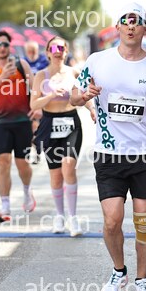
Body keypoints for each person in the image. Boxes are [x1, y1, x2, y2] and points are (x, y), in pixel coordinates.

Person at [70, 2, 146, 291]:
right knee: (112, 220)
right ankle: (119, 270)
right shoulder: (97, 61)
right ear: (117, 27)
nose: (131, 26)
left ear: (145, 29)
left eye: (137, 21)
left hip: (145, 155)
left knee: (144, 223)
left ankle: (142, 280)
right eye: (126, 21)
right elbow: (74, 96)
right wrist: (84, 95)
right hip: (109, 153)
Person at [31, 37, 95, 236]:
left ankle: (73, 218)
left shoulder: (74, 73)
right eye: (53, 48)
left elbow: (83, 95)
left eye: (61, 48)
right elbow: (33, 104)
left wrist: (92, 109)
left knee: (69, 166)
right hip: (49, 124)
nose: (58, 51)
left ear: (66, 52)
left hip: (71, 123)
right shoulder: (41, 76)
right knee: (56, 174)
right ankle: (60, 216)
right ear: (47, 53)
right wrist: (51, 95)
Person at [0, 31, 37, 222]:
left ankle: (27, 191)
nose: (2, 48)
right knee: (3, 161)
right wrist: (3, 76)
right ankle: (5, 205)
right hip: (1, 121)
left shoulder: (21, 64)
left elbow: (35, 88)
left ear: (9, 46)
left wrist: (37, 110)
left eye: (5, 44)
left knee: (22, 163)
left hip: (22, 121)